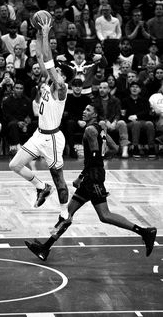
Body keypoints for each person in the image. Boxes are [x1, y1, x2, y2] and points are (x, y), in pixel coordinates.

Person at [25, 103, 157, 261]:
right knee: (68, 212)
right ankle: (45, 248)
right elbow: (114, 148)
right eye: (84, 108)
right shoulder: (100, 128)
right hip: (94, 175)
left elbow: (94, 157)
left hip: (92, 177)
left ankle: (144, 232)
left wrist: (81, 176)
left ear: (95, 114)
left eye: (88, 110)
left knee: (104, 215)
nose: (84, 111)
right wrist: (99, 163)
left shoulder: (89, 130)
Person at [9, 17, 75, 219]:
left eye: (58, 70)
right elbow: (40, 56)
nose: (54, 70)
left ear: (62, 75)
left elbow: (48, 59)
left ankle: (64, 213)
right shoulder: (48, 80)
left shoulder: (62, 88)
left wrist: (46, 34)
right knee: (14, 165)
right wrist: (38, 33)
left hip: (53, 139)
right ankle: (41, 187)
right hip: (39, 135)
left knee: (59, 179)